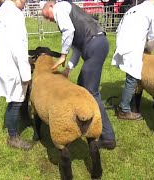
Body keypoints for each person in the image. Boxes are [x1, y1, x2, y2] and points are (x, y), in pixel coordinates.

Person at [41, 1, 116, 150]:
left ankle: (108, 137)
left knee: (91, 92)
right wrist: (68, 69)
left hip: (95, 45)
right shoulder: (66, 12)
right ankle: (83, 122)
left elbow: (68, 31)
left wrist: (62, 56)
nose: (48, 19)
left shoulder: (59, 7)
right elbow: (77, 49)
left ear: (50, 6)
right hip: (96, 44)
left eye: (46, 16)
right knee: (82, 86)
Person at [0, 0, 32, 150]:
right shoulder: (15, 14)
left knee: (15, 99)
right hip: (11, 64)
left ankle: (24, 120)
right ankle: (13, 137)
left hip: (1, 62)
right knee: (15, 101)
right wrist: (26, 72)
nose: (26, 3)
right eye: (25, 0)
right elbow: (18, 46)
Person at [112, 0, 154, 120]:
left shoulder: (132, 9)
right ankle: (124, 110)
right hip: (134, 47)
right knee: (132, 78)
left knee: (130, 76)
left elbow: (118, 29)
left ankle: (127, 103)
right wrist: (149, 50)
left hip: (122, 44)